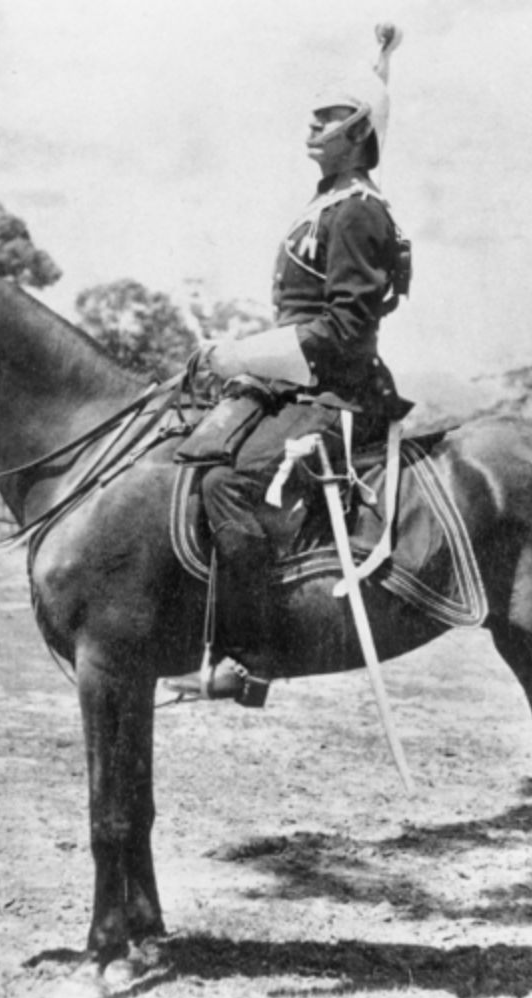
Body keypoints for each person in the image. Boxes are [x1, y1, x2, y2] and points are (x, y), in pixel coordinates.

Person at [166, 24, 413, 701]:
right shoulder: (334, 201)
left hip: (339, 395)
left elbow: (347, 330)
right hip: (302, 383)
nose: (313, 124)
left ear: (356, 134)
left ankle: (252, 658)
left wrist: (240, 353)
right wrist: (379, 68)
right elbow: (374, 110)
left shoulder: (358, 213)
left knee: (228, 484)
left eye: (330, 118)